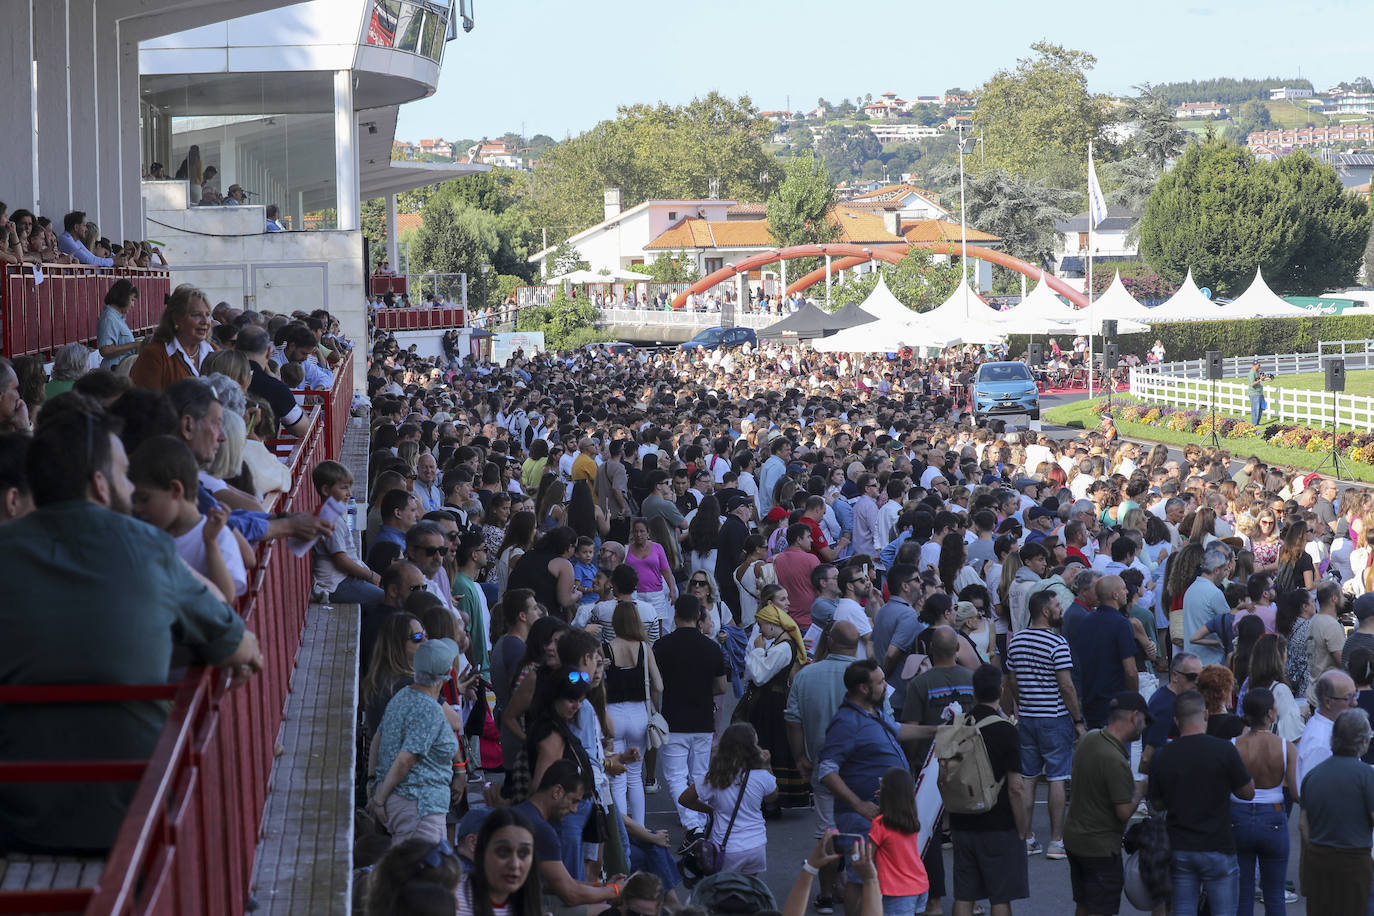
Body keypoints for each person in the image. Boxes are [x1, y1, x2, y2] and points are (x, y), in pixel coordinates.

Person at [0, 402, 261, 852]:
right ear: (100, 486)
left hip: (17, 818)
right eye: (124, 475)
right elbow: (239, 645)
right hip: (138, 814)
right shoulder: (148, 548)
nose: (130, 487)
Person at [817, 659, 939, 916]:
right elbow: (827, 771)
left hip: (878, 815)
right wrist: (858, 804)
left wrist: (938, 730)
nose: (886, 686)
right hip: (862, 815)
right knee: (861, 876)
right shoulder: (846, 722)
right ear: (863, 688)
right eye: (880, 682)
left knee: (872, 877)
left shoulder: (873, 712)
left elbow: (897, 730)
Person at [1147, 690, 1255, 916]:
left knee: (1183, 909)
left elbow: (1156, 803)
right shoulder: (1224, 750)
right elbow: (1248, 793)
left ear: (1176, 721)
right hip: (1218, 846)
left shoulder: (1164, 755)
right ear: (1205, 715)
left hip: (1180, 846)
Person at [785, 620, 864, 914]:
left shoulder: (807, 675)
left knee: (827, 831)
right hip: (861, 770)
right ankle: (857, 888)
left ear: (829, 641)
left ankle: (828, 893)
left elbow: (792, 719)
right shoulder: (868, 673)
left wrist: (800, 757)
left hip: (822, 769)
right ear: (856, 645)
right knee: (859, 831)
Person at [1003, 589, 1083, 860]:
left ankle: (1025, 838)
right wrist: (1078, 720)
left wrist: (1021, 700)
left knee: (1029, 778)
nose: (1060, 609)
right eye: (1057, 605)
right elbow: (1066, 686)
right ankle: (1056, 841)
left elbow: (1011, 680)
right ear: (1046, 612)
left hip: (1027, 716)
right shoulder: (1057, 643)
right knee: (1058, 776)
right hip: (1055, 717)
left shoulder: (1016, 642)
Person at [947, 664, 1029, 916]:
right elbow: (1015, 787)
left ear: (974, 691)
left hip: (962, 820)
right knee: (1000, 896)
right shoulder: (1006, 730)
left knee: (964, 894)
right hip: (998, 823)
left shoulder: (958, 727)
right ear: (1001, 690)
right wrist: (1022, 826)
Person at [367, 637, 466, 845]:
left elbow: (378, 737)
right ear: (447, 675)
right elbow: (406, 759)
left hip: (410, 805)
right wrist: (378, 799)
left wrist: (373, 781)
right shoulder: (429, 709)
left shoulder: (403, 695)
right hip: (419, 807)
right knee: (421, 872)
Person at [1062, 692, 1150, 916]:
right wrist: (1140, 790)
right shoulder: (1115, 759)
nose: (1145, 726)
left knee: (1083, 902)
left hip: (1075, 839)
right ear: (1134, 717)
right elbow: (1123, 812)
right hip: (1099, 847)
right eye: (1145, 720)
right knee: (1101, 908)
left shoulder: (1090, 738)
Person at [654, 594, 727, 837]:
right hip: (703, 717)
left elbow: (657, 684)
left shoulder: (662, 646)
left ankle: (691, 823)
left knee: (675, 775)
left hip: (673, 718)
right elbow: (721, 687)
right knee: (700, 773)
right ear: (699, 616)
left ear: (675, 616)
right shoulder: (711, 647)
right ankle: (703, 818)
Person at [513, 759, 624, 912]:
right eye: (573, 801)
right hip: (520, 907)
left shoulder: (520, 812)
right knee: (605, 910)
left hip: (513, 900)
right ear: (557, 792)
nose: (574, 809)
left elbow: (556, 884)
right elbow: (570, 894)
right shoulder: (543, 831)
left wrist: (603, 886)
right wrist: (615, 891)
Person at [1230, 687, 1298, 916]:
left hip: (1238, 817)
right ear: (1270, 713)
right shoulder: (1285, 747)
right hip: (1274, 816)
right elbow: (1296, 794)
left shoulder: (1233, 745)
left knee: (1243, 894)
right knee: (1275, 895)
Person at [1299, 709, 1374, 916]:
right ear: (1364, 742)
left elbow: (1303, 824)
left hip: (1319, 860)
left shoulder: (1313, 776)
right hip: (1355, 861)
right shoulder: (1367, 775)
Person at [678, 722, 778, 875]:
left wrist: (710, 810)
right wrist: (767, 765)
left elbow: (684, 799)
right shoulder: (761, 776)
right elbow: (772, 797)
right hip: (756, 846)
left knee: (725, 891)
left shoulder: (713, 778)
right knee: (748, 889)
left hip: (727, 848)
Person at [742, 597, 809, 812]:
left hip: (772, 705)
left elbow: (760, 675)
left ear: (772, 624)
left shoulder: (783, 648)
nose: (760, 630)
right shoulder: (782, 645)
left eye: (762, 625)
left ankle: (774, 799)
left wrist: (757, 650)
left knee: (771, 745)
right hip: (771, 703)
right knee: (771, 744)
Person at [605, 599, 662, 825]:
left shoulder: (606, 649)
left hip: (613, 715)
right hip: (639, 713)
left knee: (616, 778)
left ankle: (622, 830)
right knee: (635, 777)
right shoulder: (644, 648)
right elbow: (659, 686)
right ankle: (640, 827)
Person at [1066, 574, 1138, 728]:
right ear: (1115, 594)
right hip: (1115, 705)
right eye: (1124, 589)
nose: (1127, 592)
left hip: (1091, 702)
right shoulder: (1121, 624)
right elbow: (1130, 671)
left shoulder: (1085, 621)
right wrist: (1135, 700)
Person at [454, 807, 545, 916]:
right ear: (481, 849)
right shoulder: (454, 900)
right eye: (503, 852)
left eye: (523, 853)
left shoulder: (530, 903)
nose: (515, 864)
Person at [867, 767, 930, 916]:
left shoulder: (880, 823)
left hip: (897, 890)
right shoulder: (911, 819)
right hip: (919, 883)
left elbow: (867, 857)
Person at [128, 284, 215, 390]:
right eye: (196, 315)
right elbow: (145, 402)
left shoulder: (215, 351)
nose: (205, 321)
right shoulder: (155, 355)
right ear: (176, 318)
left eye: (208, 315)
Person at [1297, 667, 1359, 785]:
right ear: (1328, 702)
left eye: (1355, 694)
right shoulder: (1320, 742)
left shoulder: (1331, 729)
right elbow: (1312, 792)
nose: (1355, 702)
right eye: (1348, 697)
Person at [97, 279, 143, 369]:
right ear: (124, 297)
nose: (132, 305)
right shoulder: (109, 318)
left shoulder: (117, 318)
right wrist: (134, 344)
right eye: (132, 300)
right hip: (114, 371)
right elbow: (105, 350)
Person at [1247, 360, 1266, 426]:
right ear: (1255, 365)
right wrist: (1260, 380)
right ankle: (1254, 424)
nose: (1259, 366)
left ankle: (1257, 423)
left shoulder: (1257, 372)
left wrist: (1263, 379)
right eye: (1258, 365)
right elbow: (1252, 384)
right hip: (1254, 394)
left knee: (1260, 409)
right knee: (1255, 409)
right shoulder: (1252, 373)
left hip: (1259, 393)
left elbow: (1258, 380)